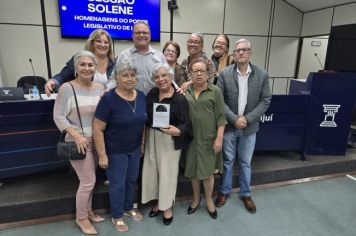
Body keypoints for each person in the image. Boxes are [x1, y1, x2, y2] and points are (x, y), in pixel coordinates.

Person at [215, 39, 272, 214]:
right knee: (228, 162)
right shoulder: (224, 74)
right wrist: (234, 119)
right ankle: (224, 191)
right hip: (230, 128)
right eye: (238, 50)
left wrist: (246, 118)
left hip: (249, 128)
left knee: (246, 163)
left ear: (250, 53)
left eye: (245, 50)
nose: (241, 53)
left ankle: (246, 194)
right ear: (233, 53)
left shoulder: (262, 74)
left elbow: (265, 100)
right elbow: (220, 101)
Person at [53, 50, 106, 235]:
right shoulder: (67, 88)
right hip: (78, 143)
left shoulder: (100, 88)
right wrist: (76, 135)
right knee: (87, 181)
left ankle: (89, 211)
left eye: (90, 65)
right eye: (82, 64)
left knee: (90, 181)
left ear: (95, 67)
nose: (86, 68)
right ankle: (81, 218)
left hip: (97, 141)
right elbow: (58, 116)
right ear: (76, 67)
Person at [92, 60, 147, 232]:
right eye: (125, 75)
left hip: (135, 148)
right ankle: (117, 215)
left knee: (132, 180)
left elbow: (142, 123)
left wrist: (142, 143)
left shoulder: (141, 96)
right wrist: (102, 154)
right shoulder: (108, 99)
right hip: (115, 151)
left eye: (132, 75)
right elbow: (97, 128)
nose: (129, 79)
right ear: (116, 78)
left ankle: (129, 207)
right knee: (117, 184)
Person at [141, 63, 192, 226]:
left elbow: (187, 124)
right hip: (152, 137)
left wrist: (178, 131)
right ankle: (158, 202)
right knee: (153, 172)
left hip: (169, 140)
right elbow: (145, 117)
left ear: (171, 77)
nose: (161, 79)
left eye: (164, 75)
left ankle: (167, 206)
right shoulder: (152, 94)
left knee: (167, 174)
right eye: (157, 77)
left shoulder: (179, 98)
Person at [184, 60, 226, 220]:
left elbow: (221, 117)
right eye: (195, 71)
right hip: (191, 140)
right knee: (194, 173)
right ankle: (196, 199)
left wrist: (219, 139)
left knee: (208, 173)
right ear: (191, 74)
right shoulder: (185, 90)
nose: (199, 74)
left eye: (202, 71)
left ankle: (209, 200)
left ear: (208, 74)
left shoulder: (215, 91)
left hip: (209, 140)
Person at [45, 29, 116, 96]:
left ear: (109, 45)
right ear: (91, 43)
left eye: (106, 42)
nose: (103, 45)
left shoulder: (115, 63)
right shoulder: (80, 59)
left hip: (109, 104)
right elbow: (63, 76)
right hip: (84, 102)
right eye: (98, 41)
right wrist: (53, 81)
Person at [108, 21, 166, 95]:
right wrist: (107, 89)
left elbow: (168, 78)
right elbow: (114, 79)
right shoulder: (124, 55)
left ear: (150, 36)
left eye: (145, 33)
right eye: (138, 33)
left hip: (154, 101)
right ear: (132, 36)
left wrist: (177, 88)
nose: (141, 35)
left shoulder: (159, 56)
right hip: (130, 101)